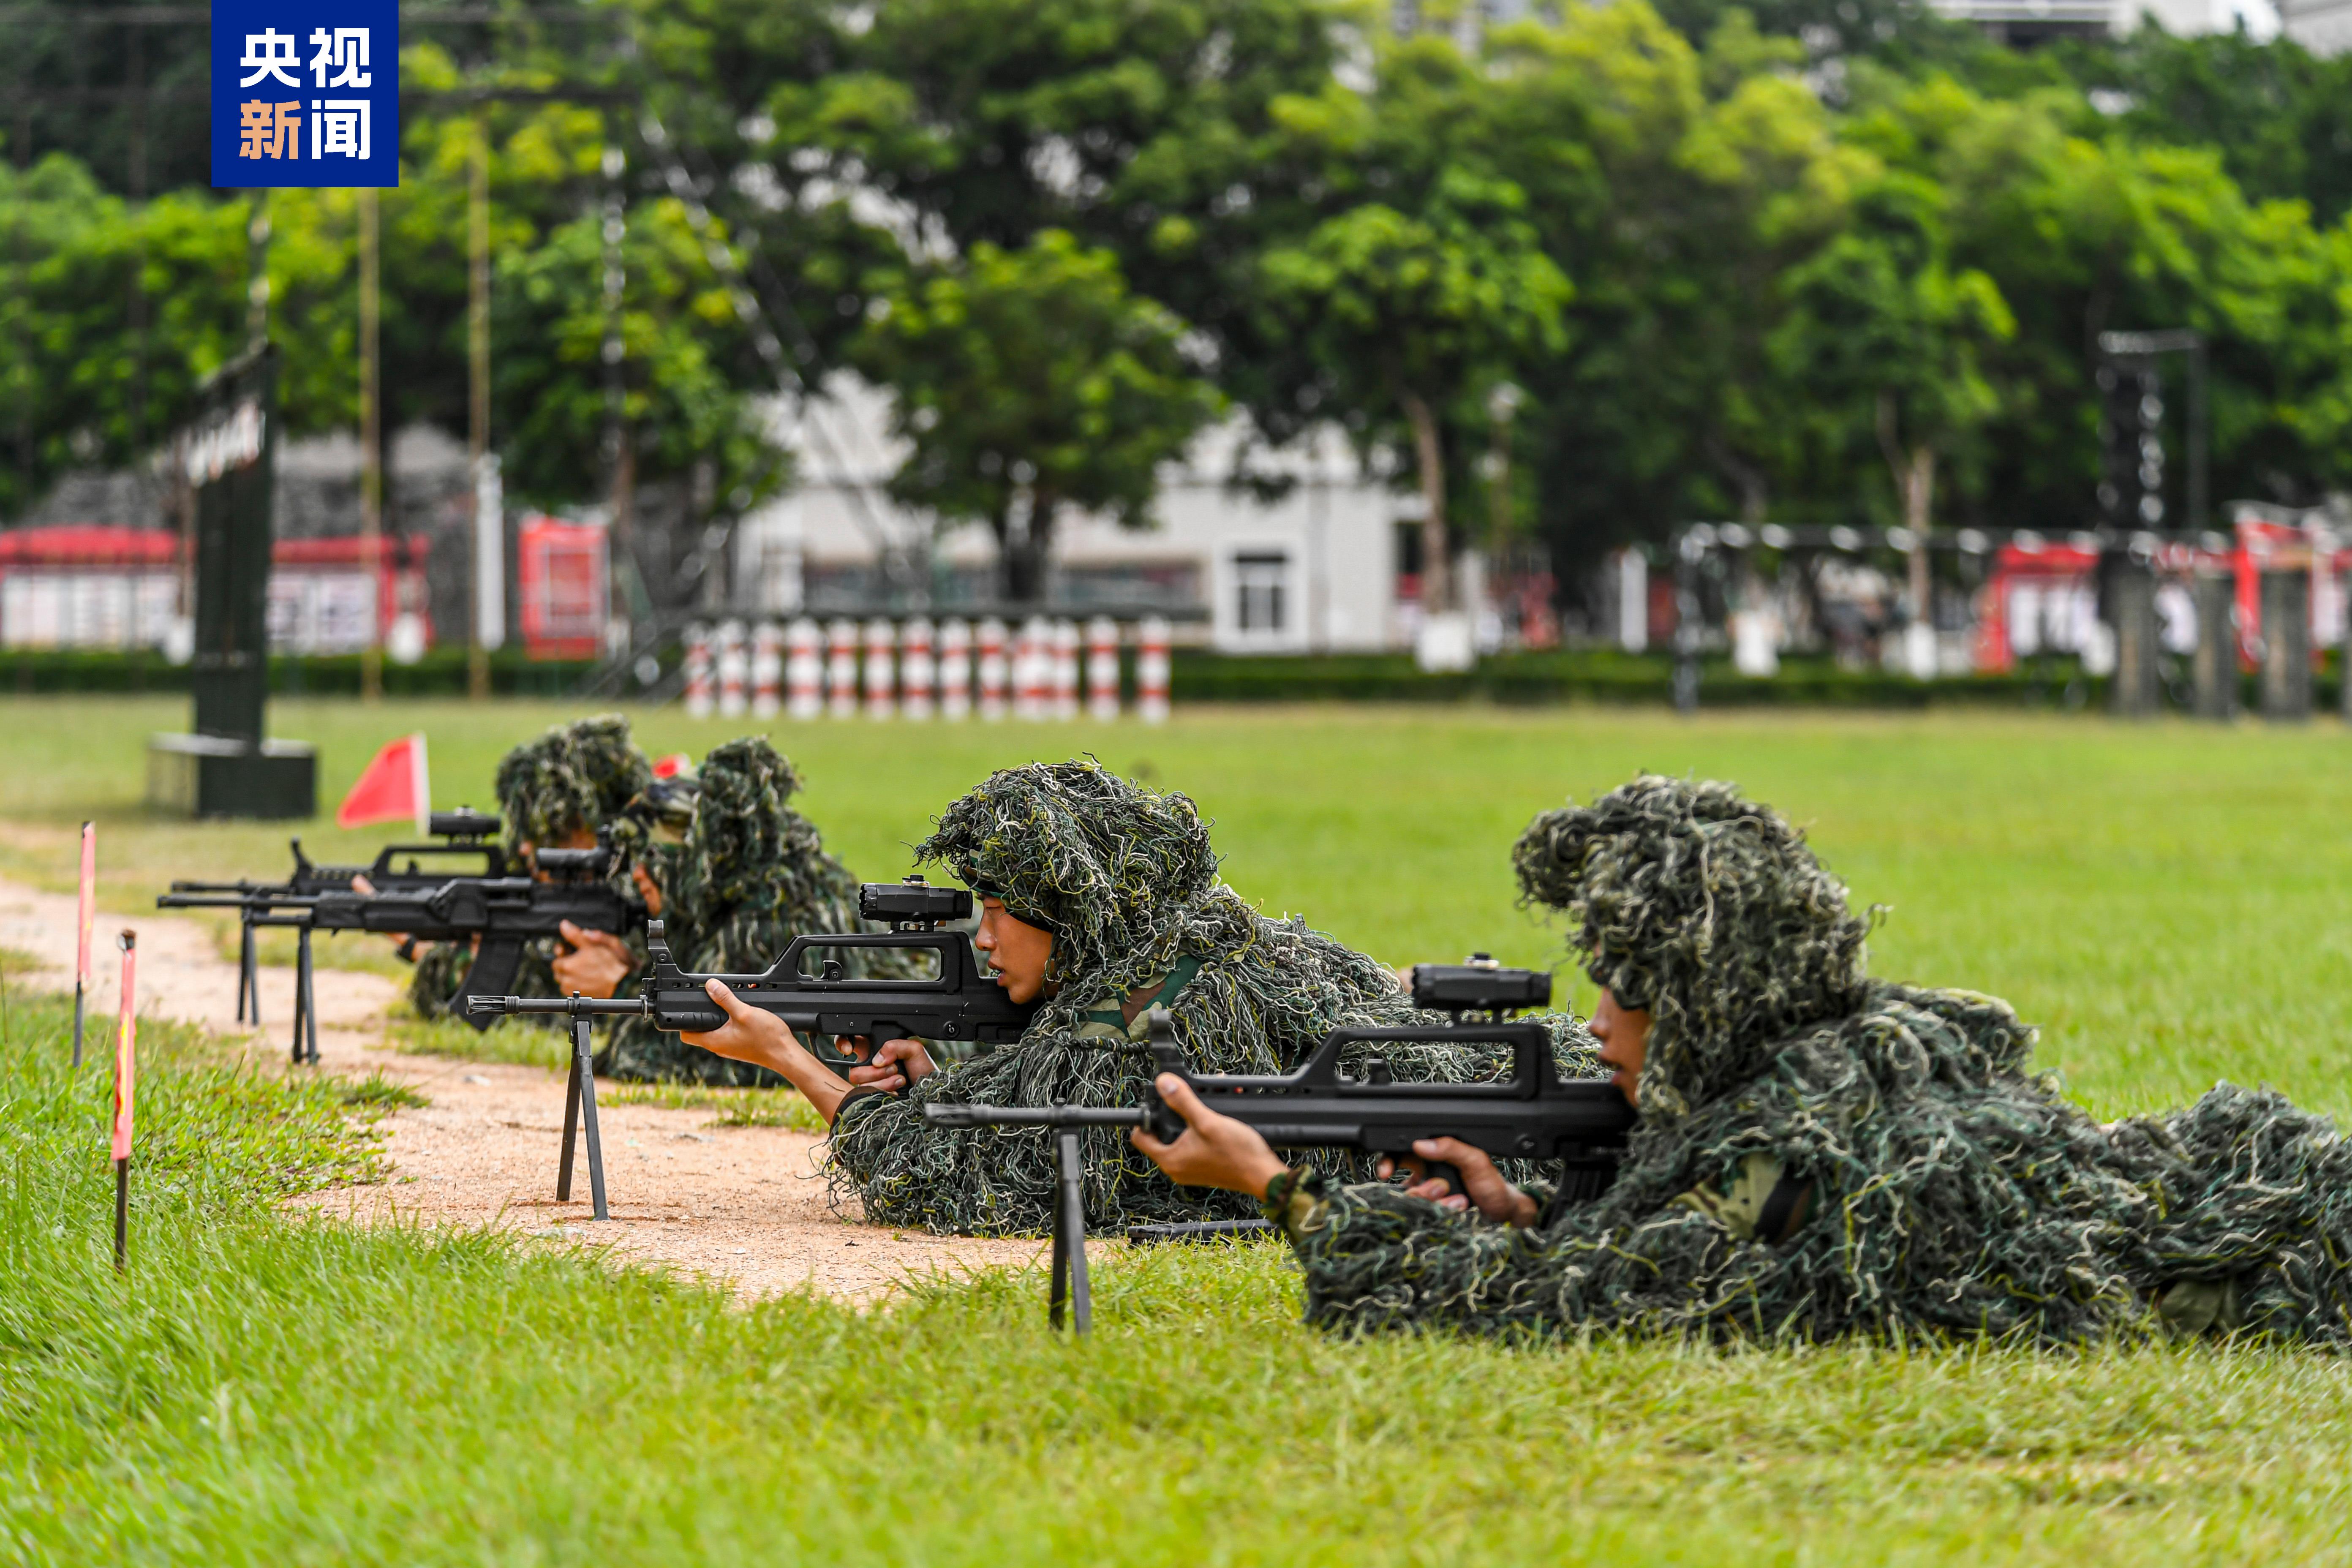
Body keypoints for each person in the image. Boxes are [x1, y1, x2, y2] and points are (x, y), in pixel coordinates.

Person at [1133, 774, 2352, 1346]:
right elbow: (1635, 1243)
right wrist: (1520, 1207)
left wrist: (1279, 1190)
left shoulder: (1790, 1140)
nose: (1599, 1023)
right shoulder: (1816, 1064)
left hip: (2224, 1271)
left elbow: (1591, 1312)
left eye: (1631, 992)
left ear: (1710, 1001)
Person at [679, 759, 1595, 1233]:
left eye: (1003, 913)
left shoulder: (1134, 1012)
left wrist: (786, 1056)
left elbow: (949, 1177)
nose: (984, 938)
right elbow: (1030, 1089)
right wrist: (938, 1083)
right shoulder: (1201, 939)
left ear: (1072, 915)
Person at [556, 735, 923, 1086]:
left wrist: (618, 990)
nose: (638, 875)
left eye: (654, 859)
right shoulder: (712, 902)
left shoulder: (774, 910)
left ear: (696, 859)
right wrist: (635, 970)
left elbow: (718, 1053)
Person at [401, 714, 654, 1022]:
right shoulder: (530, 883)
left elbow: (544, 1009)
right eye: (526, 834)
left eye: (553, 834)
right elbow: (510, 993)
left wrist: (621, 989)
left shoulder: (641, 897)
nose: (526, 849)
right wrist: (441, 954)